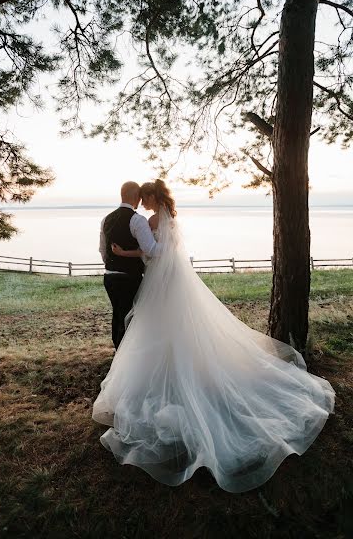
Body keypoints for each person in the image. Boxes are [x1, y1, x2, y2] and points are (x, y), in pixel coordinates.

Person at [93, 179, 335, 493]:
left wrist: (126, 251)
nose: (144, 202)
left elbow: (154, 252)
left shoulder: (150, 220)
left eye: (147, 197)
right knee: (170, 328)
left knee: (153, 328)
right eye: (141, 197)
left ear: (153, 197)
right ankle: (179, 366)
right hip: (169, 280)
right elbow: (164, 250)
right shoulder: (166, 219)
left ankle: (166, 371)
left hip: (157, 281)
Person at [99, 181, 159, 349]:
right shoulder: (137, 220)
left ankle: (118, 351)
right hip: (129, 278)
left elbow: (103, 250)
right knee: (130, 317)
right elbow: (151, 250)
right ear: (137, 198)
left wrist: (113, 264)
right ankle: (126, 355)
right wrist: (171, 247)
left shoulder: (106, 219)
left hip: (109, 276)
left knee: (118, 314)